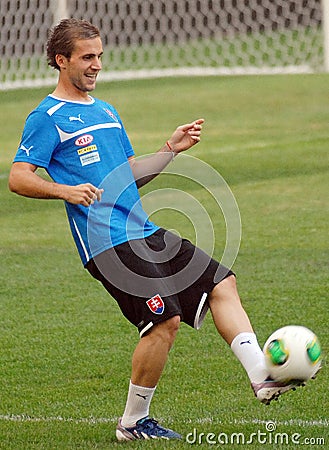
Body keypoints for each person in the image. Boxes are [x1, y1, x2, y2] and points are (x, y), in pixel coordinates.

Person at [9, 18, 301, 441]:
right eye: (87, 57)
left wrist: (169, 149)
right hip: (106, 243)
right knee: (165, 322)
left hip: (142, 230)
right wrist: (65, 191)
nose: (97, 65)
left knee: (223, 282)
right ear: (61, 60)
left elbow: (128, 172)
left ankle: (262, 376)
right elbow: (19, 177)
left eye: (100, 56)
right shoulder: (47, 117)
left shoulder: (106, 111)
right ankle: (132, 423)